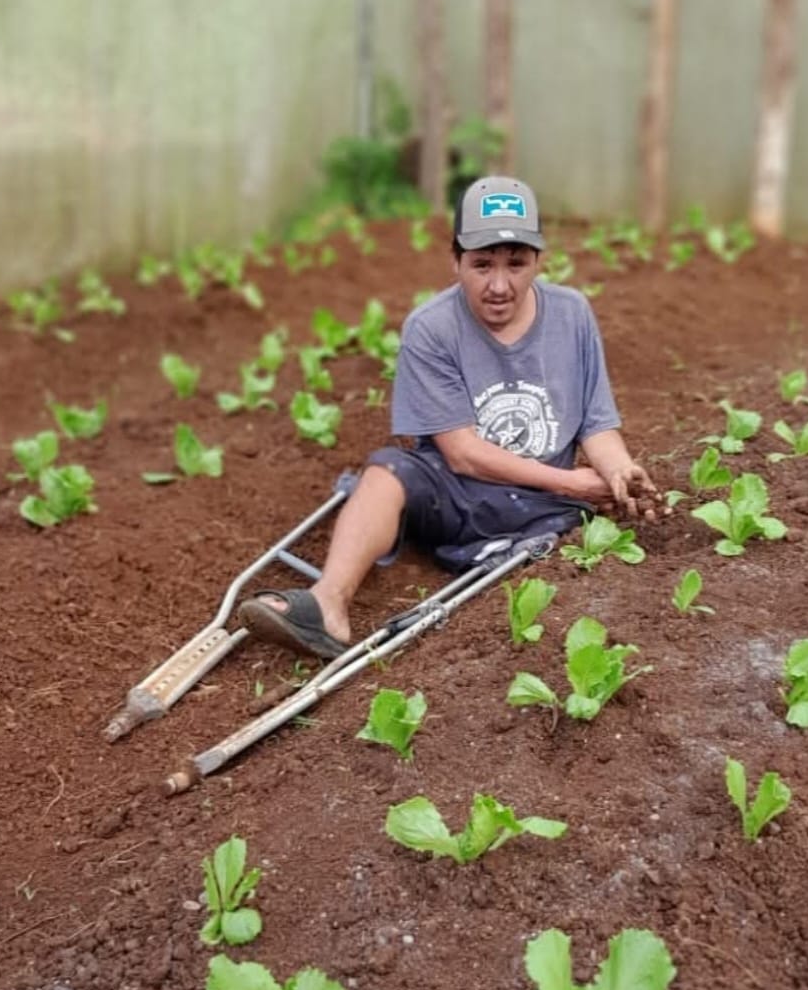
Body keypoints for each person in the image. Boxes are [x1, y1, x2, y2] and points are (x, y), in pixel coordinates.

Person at [238, 174, 664, 658]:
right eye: (481, 265)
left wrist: (617, 472)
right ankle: (328, 605)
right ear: (456, 260)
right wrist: (570, 482)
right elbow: (462, 454)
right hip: (460, 494)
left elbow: (596, 424)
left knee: (567, 523)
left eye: (516, 265)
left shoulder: (572, 315)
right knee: (386, 470)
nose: (499, 285)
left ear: (539, 261)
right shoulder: (432, 327)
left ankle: (513, 547)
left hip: (542, 503)